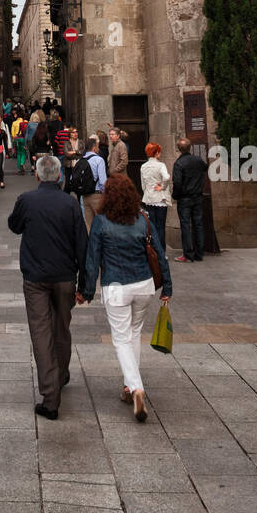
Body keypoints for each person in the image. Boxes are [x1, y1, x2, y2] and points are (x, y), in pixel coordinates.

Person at [78, 173, 172, 422]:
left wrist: (86, 291)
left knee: (121, 339)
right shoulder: (143, 219)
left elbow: (92, 259)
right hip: (144, 286)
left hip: (117, 287)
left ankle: (136, 386)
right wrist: (168, 288)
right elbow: (160, 255)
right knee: (134, 334)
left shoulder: (100, 222)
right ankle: (129, 388)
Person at [7, 153, 88, 421]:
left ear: (38, 175)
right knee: (61, 327)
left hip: (36, 278)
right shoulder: (71, 204)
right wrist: (86, 284)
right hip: (65, 277)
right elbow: (82, 244)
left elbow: (14, 226)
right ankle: (60, 374)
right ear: (61, 176)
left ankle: (50, 397)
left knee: (42, 331)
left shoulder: (27, 201)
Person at [172, 137, 208, 262]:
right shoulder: (198, 160)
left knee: (185, 225)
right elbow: (205, 168)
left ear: (179, 149)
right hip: (197, 196)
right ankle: (199, 253)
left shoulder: (179, 163)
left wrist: (175, 195)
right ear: (190, 147)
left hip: (185, 198)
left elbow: (177, 183)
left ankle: (188, 254)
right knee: (198, 225)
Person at [68, 133, 107, 231]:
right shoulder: (99, 160)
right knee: (103, 224)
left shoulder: (80, 160)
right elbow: (103, 181)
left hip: (84, 196)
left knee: (89, 225)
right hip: (97, 195)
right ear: (94, 148)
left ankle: (91, 244)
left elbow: (72, 177)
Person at [140, 142, 172, 249]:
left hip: (149, 198)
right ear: (157, 153)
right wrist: (162, 187)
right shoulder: (161, 165)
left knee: (152, 226)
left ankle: (153, 249)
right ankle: (161, 250)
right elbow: (167, 177)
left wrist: (148, 191)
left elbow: (143, 185)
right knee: (161, 226)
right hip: (160, 198)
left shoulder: (143, 166)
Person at [62, 126, 82, 191]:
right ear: (70, 134)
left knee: (78, 184)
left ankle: (79, 200)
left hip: (79, 165)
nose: (75, 134)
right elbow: (67, 154)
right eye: (73, 132)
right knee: (67, 185)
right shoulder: (66, 143)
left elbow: (82, 153)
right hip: (69, 166)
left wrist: (74, 152)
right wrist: (77, 153)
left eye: (76, 132)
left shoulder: (81, 142)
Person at [12, 108, 29, 174]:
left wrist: (14, 140)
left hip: (17, 139)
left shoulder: (14, 123)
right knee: (23, 153)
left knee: (18, 153)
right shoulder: (26, 122)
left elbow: (12, 133)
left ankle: (19, 167)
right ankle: (22, 163)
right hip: (23, 139)